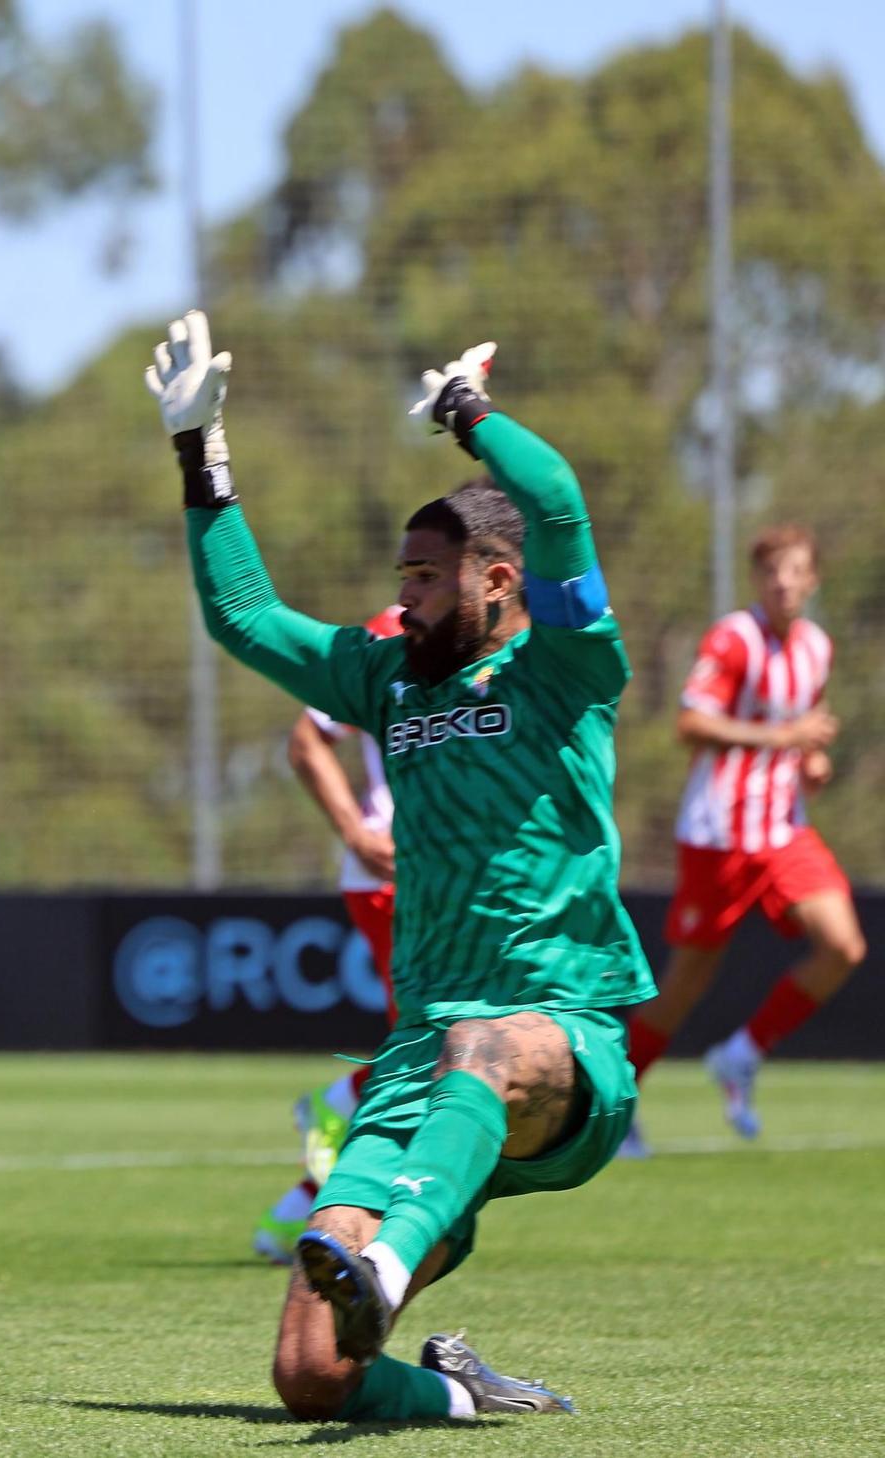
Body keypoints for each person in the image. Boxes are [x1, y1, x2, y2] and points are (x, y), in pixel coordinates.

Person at [146, 315, 652, 1420]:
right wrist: (200, 450)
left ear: (499, 581)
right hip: (420, 1060)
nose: (403, 597)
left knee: (483, 1044)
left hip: (561, 1039)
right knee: (308, 1378)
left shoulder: (566, 667)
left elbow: (557, 498)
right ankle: (463, 1396)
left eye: (424, 578)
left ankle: (387, 1262)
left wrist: (467, 417)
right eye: (402, 577)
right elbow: (241, 616)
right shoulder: (391, 685)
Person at [621, 525, 864, 1150]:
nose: (783, 582)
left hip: (783, 828)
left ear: (813, 581)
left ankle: (742, 1053)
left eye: (795, 570)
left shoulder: (816, 647)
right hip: (719, 834)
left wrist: (809, 762)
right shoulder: (734, 639)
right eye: (771, 571)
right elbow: (691, 723)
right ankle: (615, 1108)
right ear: (758, 580)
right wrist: (783, 740)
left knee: (844, 947)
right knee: (685, 986)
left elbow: (802, 731)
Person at [253, 606, 403, 1265]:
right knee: (440, 1048)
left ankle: (296, 1211)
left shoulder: (523, 632)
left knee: (437, 1048)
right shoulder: (394, 631)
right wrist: (355, 830)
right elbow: (307, 738)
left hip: (457, 877)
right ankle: (338, 1114)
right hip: (396, 874)